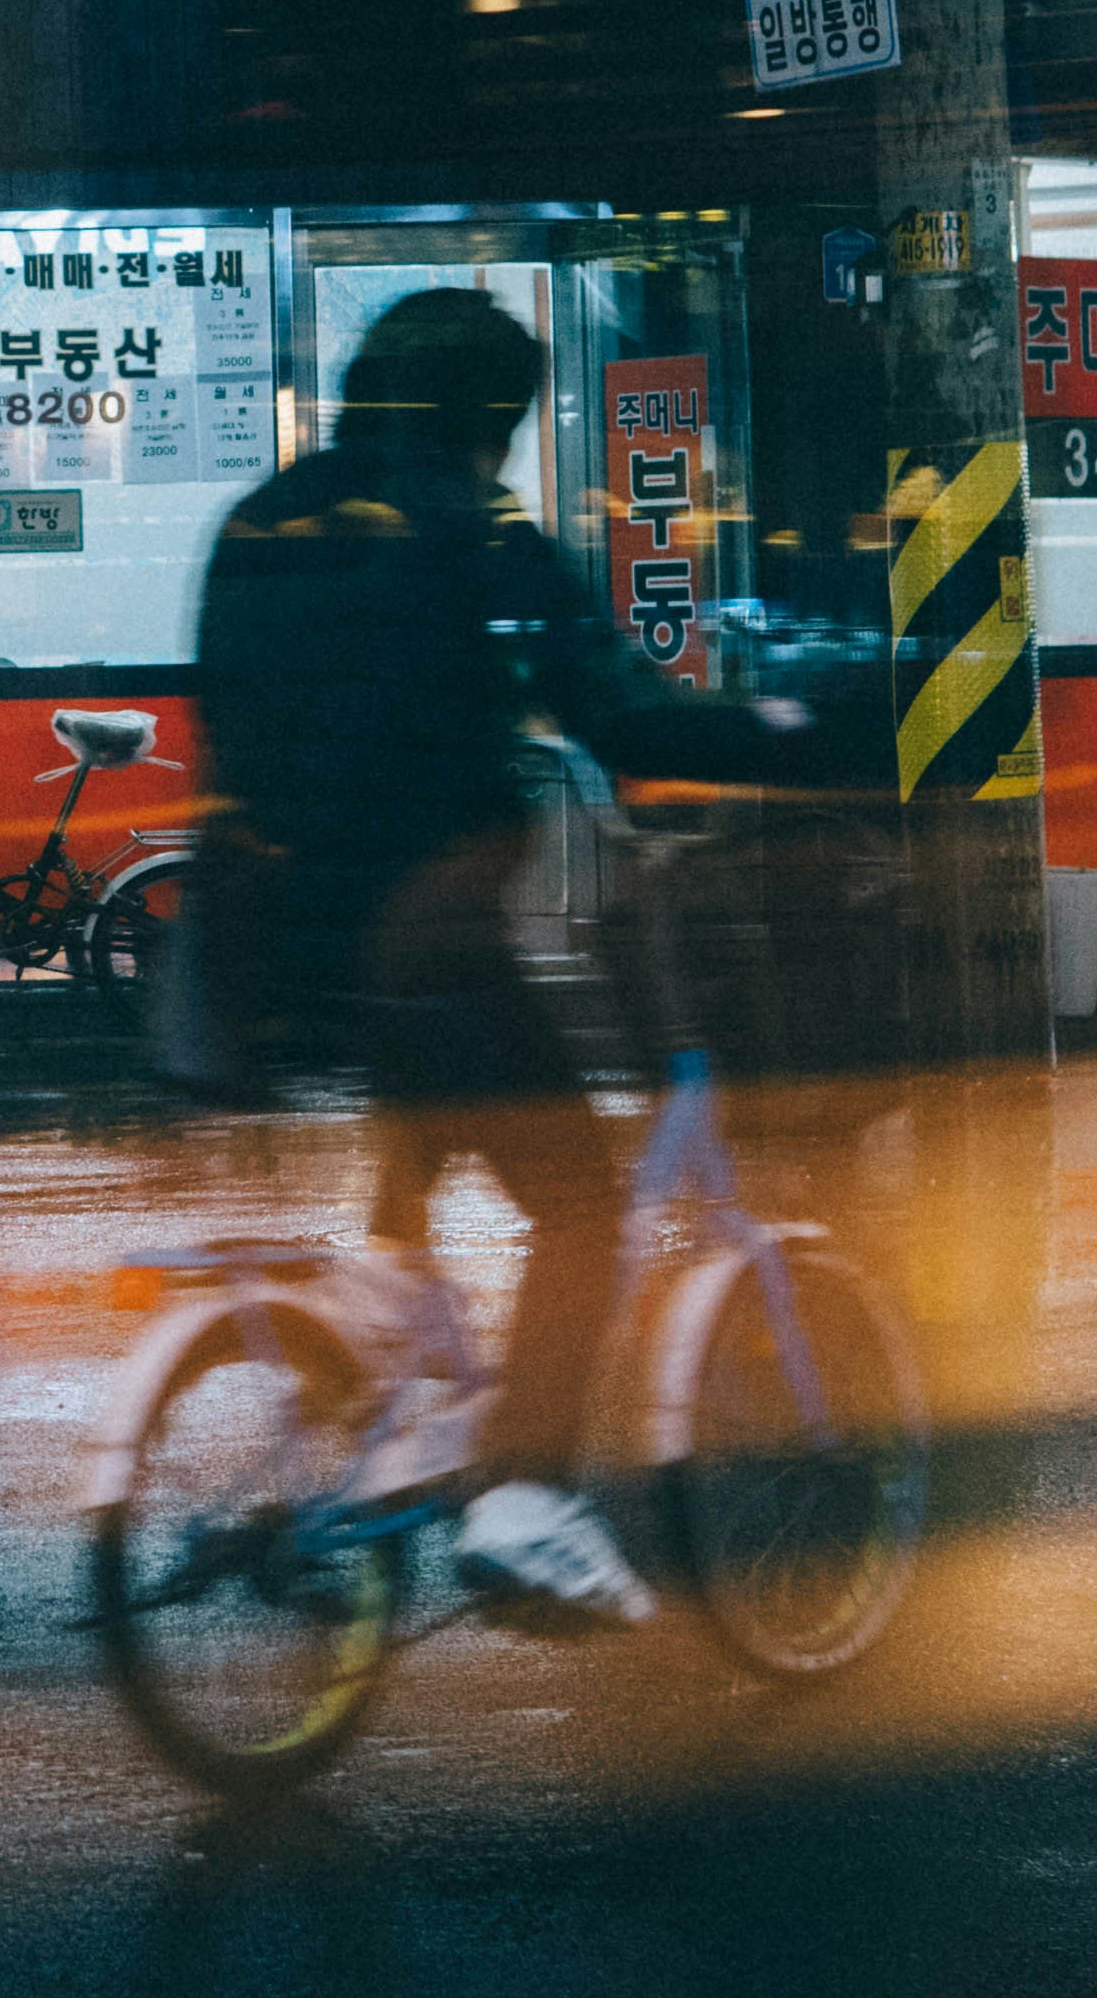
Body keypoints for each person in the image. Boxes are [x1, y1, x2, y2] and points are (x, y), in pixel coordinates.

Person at [193, 288, 777, 1630]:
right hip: (432, 928)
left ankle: (374, 1367)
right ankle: (526, 1495)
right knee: (577, 1206)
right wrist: (795, 729)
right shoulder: (476, 526)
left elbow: (232, 720)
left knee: (435, 1105)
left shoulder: (260, 521)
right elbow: (620, 714)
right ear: (487, 416)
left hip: (282, 948)